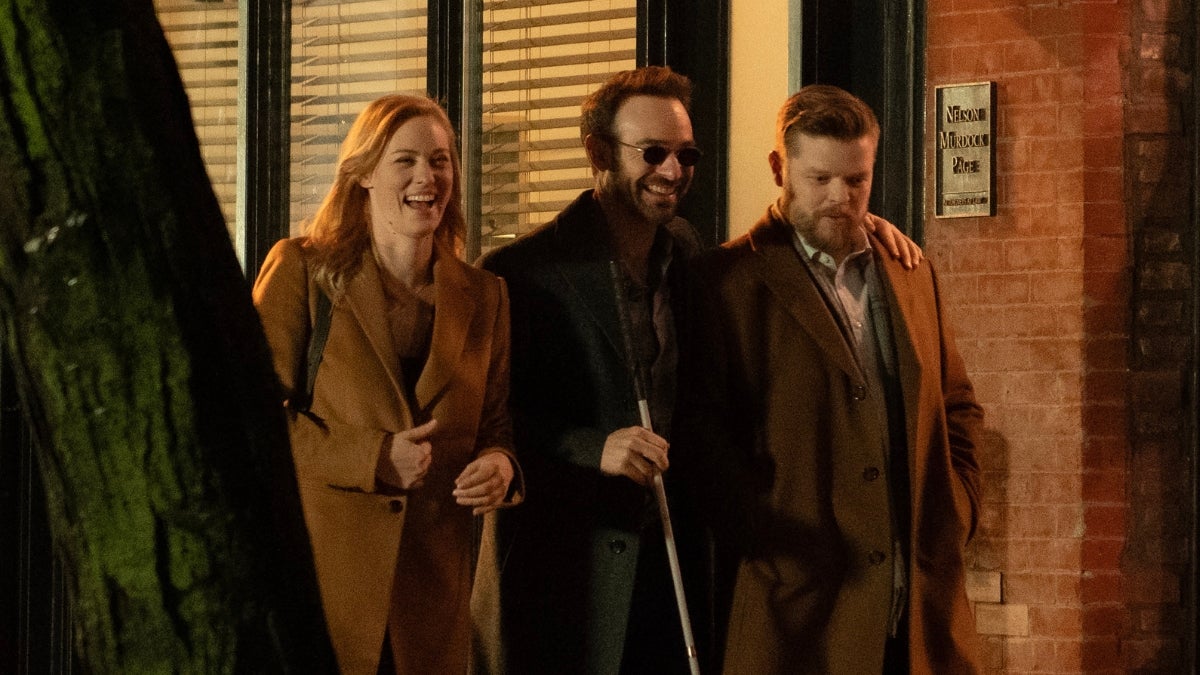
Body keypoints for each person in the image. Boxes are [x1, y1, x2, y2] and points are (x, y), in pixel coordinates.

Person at [473, 67, 922, 675]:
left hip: (673, 570)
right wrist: (593, 448)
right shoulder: (521, 271)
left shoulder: (686, 250)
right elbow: (490, 424)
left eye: (686, 154)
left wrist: (860, 223)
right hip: (568, 577)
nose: (672, 170)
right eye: (652, 152)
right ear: (599, 152)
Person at [675, 84, 985, 674]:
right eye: (819, 179)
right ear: (779, 169)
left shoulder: (910, 271)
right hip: (799, 613)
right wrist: (761, 534)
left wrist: (959, 508)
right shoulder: (725, 281)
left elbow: (957, 405)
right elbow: (700, 434)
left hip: (920, 615)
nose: (841, 198)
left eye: (856, 180)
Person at [253, 94, 523, 675]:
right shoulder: (302, 270)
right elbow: (250, 422)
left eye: (440, 160)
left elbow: (496, 423)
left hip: (430, 606)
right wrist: (372, 458)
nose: (428, 177)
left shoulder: (486, 296)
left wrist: (500, 466)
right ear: (364, 174)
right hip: (324, 593)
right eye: (406, 160)